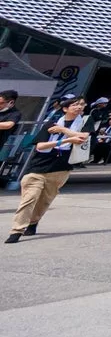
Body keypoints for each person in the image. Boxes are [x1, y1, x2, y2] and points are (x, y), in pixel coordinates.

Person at [8, 95, 88, 243]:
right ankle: (17, 230)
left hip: (61, 168)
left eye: (81, 105)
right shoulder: (51, 123)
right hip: (38, 166)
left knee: (45, 200)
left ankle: (33, 223)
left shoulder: (85, 122)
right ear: (65, 108)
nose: (79, 107)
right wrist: (67, 139)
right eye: (75, 105)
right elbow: (40, 146)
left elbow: (84, 137)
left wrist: (63, 130)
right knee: (29, 198)